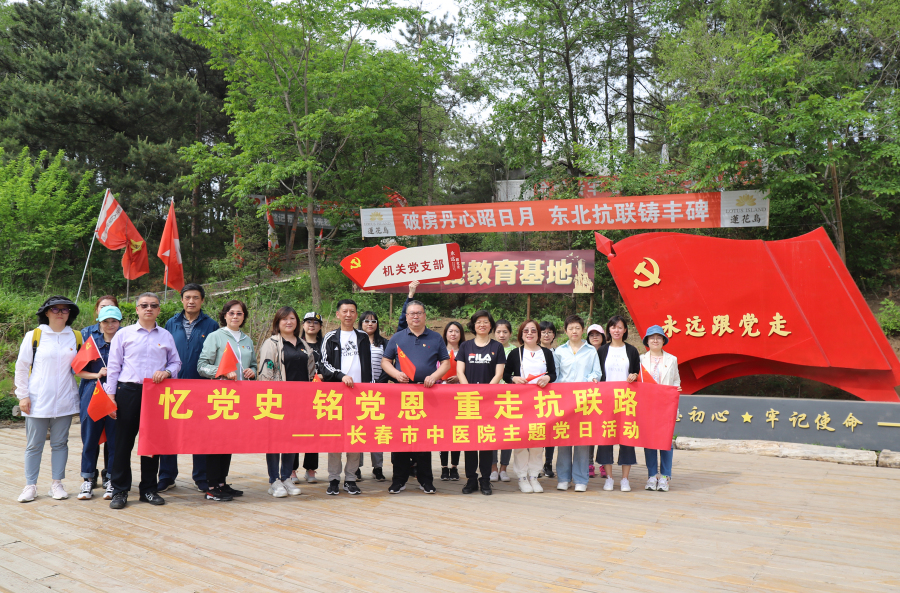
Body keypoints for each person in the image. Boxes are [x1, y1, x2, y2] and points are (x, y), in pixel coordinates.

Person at [106, 292, 182, 509]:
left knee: (151, 443)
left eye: (153, 305)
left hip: (155, 393)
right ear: (137, 309)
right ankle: (120, 490)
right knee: (123, 443)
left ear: (159, 310)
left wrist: (167, 372)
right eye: (144, 305)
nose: (149, 309)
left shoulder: (165, 335)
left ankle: (148, 489)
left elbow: (176, 362)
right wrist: (111, 397)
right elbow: (113, 366)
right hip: (128, 391)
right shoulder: (124, 334)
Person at [14, 296, 82, 502]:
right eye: (55, 309)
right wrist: (23, 395)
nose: (60, 313)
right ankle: (30, 485)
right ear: (46, 312)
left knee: (60, 443)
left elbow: (82, 367)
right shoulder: (34, 335)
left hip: (65, 399)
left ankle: (57, 484)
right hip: (38, 400)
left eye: (65, 309)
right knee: (34, 445)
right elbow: (21, 367)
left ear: (70, 314)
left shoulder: (76, 337)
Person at [382, 300, 451, 495]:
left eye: (419, 313)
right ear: (406, 317)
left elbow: (445, 363)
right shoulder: (397, 337)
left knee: (424, 438)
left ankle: (425, 480)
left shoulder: (435, 338)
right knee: (401, 438)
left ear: (424, 315)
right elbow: (386, 361)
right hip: (402, 394)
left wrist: (434, 376)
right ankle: (399, 480)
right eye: (411, 313)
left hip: (427, 394)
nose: (415, 316)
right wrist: (396, 375)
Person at [159, 283, 220, 493]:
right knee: (169, 433)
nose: (191, 301)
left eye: (195, 298)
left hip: (201, 387)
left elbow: (215, 356)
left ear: (202, 300)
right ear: (182, 300)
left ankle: (201, 476)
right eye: (187, 297)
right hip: (173, 386)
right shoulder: (171, 323)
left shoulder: (211, 325)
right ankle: (167, 476)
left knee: (200, 434)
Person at [197, 299, 257, 501]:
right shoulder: (215, 336)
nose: (235, 316)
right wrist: (222, 372)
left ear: (244, 316)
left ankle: (222, 483)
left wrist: (252, 371)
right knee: (216, 441)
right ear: (224, 315)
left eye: (239, 313)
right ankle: (211, 486)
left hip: (240, 398)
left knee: (229, 441)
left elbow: (254, 365)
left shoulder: (247, 340)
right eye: (231, 313)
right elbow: (202, 366)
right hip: (220, 397)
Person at [320, 299, 372, 495]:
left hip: (359, 396)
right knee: (335, 438)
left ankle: (350, 478)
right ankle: (333, 478)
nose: (348, 314)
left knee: (355, 437)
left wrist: (370, 389)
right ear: (338, 314)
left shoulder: (363, 337)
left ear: (356, 314)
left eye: (352, 311)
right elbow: (323, 364)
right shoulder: (330, 337)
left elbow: (368, 367)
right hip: (337, 396)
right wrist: (341, 376)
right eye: (345, 311)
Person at [257, 306, 308, 498]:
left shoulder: (303, 343)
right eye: (284, 319)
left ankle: (286, 477)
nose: (289, 322)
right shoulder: (271, 343)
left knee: (291, 439)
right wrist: (270, 397)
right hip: (277, 399)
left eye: (292, 318)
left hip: (299, 400)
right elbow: (266, 372)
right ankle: (274, 480)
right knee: (275, 440)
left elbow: (311, 370)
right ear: (277, 322)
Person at [503, 320, 557, 493]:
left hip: (541, 402)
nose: (530, 333)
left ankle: (534, 476)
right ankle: (521, 477)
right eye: (526, 330)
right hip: (521, 403)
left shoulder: (546, 353)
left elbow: (553, 373)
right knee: (520, 440)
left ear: (538, 334)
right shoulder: (515, 353)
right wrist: (514, 378)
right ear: (521, 334)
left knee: (537, 440)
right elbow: (505, 374)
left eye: (533, 330)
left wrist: (548, 378)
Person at [75, 304, 122, 501]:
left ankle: (111, 478)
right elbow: (78, 370)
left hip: (117, 395)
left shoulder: (125, 342)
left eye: (114, 321)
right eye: (106, 321)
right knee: (90, 438)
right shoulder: (91, 343)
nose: (110, 325)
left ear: (120, 322)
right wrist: (97, 374)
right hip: (93, 394)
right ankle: (88, 479)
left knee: (114, 439)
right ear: (99, 323)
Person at [457, 310, 506, 495]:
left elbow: (499, 373)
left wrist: (485, 393)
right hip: (468, 401)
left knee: (486, 440)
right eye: (478, 322)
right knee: (470, 440)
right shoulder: (465, 346)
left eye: (485, 322)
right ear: (474, 325)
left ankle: (485, 480)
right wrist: (469, 391)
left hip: (489, 400)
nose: (482, 325)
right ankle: (471, 479)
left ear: (490, 325)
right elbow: (460, 371)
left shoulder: (497, 347)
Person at [554, 314, 601, 493]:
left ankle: (581, 479)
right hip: (564, 400)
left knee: (582, 439)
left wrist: (592, 379)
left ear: (583, 330)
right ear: (565, 331)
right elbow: (556, 375)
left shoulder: (591, 351)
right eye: (571, 328)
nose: (574, 331)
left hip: (584, 400)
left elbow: (596, 372)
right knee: (564, 438)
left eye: (577, 328)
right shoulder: (559, 351)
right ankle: (564, 478)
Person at [597, 315, 641, 492]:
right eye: (613, 327)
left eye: (620, 327)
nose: (616, 330)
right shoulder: (602, 350)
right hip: (605, 401)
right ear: (609, 330)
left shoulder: (632, 350)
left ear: (625, 330)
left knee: (627, 438)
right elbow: (597, 374)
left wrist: (634, 376)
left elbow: (637, 373)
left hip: (626, 401)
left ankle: (625, 479)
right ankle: (609, 478)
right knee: (605, 438)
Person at [640, 325, 681, 492]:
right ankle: (651, 475)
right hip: (647, 406)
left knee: (666, 442)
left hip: (666, 406)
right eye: (652, 338)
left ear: (663, 340)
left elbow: (676, 380)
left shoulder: (672, 359)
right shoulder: (641, 359)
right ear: (647, 341)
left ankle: (665, 476)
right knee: (649, 441)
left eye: (658, 337)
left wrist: (676, 389)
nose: (655, 340)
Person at [291, 311, 324, 484]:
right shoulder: (296, 343)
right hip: (299, 395)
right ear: (302, 325)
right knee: (295, 432)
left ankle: (311, 469)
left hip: (320, 395)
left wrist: (323, 376)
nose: (312, 325)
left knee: (314, 432)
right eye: (308, 322)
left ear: (320, 326)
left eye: (315, 322)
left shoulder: (325, 344)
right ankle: (292, 469)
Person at [358, 310, 387, 481]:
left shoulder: (384, 343)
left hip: (378, 392)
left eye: (373, 321)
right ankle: (356, 467)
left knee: (377, 430)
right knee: (358, 430)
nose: (370, 324)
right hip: (358, 393)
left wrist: (379, 383)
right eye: (366, 321)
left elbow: (388, 365)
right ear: (360, 323)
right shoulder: (355, 341)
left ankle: (378, 467)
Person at [439, 321, 466, 481]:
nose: (453, 334)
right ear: (446, 333)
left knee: (457, 431)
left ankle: (454, 467)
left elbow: (469, 371)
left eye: (457, 331)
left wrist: (459, 376)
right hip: (442, 395)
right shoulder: (439, 350)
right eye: (450, 331)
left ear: (461, 334)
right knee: (443, 431)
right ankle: (444, 467)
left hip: (460, 395)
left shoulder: (465, 351)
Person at [491, 319, 515, 482]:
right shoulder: (490, 348)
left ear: (510, 334)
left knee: (508, 432)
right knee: (492, 432)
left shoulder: (515, 351)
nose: (502, 335)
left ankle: (504, 468)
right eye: (498, 332)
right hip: (492, 395)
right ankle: (493, 467)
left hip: (510, 397)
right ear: (494, 333)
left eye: (505, 332)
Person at [586, 324, 608, 478]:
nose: (595, 337)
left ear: (603, 336)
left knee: (604, 429)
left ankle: (603, 463)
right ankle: (588, 463)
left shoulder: (608, 351)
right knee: (589, 429)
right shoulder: (585, 352)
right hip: (588, 396)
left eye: (598, 334)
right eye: (591, 334)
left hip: (606, 395)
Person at [538, 320, 558, 478]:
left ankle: (548, 463)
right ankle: (537, 465)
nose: (546, 335)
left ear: (554, 335)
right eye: (543, 332)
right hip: (537, 396)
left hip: (554, 395)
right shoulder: (534, 352)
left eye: (549, 332)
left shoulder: (558, 353)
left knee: (551, 431)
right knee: (538, 430)